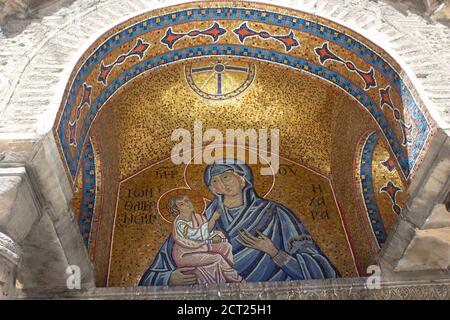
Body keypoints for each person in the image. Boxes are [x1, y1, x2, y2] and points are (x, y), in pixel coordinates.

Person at [139, 159, 340, 286]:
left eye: (226, 177)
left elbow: (323, 272)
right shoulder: (199, 220)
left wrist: (274, 253)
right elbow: (161, 267)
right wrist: (168, 279)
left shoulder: (276, 214)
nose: (220, 184)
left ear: (243, 179)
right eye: (214, 182)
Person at [168, 194, 243, 285]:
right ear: (177, 209)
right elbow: (197, 235)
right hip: (186, 254)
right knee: (218, 258)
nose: (187, 204)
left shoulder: (198, 217)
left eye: (187, 201)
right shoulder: (180, 224)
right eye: (181, 204)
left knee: (226, 246)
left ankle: (226, 275)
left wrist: (214, 237)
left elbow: (207, 233)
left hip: (200, 248)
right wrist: (213, 220)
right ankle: (236, 279)